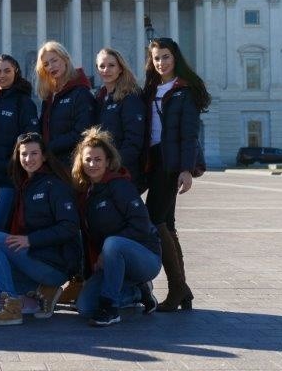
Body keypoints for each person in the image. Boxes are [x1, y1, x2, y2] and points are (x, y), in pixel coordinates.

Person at [0, 132, 82, 327]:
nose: (28, 159)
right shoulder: (21, 185)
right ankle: (43, 290)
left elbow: (70, 227)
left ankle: (11, 308)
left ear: (44, 156)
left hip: (54, 264)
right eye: (24, 154)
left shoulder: (54, 185)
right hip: (32, 259)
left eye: (34, 154)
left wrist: (30, 240)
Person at [143, 36, 210, 312]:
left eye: (166, 57)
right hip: (153, 159)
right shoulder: (150, 89)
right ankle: (181, 289)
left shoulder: (185, 90)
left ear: (176, 58)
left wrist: (186, 169)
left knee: (154, 219)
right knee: (167, 224)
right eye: (156, 58)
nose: (161, 62)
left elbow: (189, 133)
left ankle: (177, 288)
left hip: (170, 162)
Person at [72, 127, 162, 326]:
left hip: (144, 257)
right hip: (113, 264)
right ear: (81, 162)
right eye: (88, 159)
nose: (92, 164)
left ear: (107, 162)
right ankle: (138, 292)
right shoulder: (85, 193)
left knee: (113, 243)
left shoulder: (120, 186)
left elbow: (141, 225)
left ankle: (110, 308)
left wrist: (106, 252)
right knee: (85, 307)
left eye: (98, 159)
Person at [0, 54, 38, 198]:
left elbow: (32, 137)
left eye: (7, 71)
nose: (2, 75)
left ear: (15, 71)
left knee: (0, 220)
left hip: (11, 177)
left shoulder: (24, 102)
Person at [37, 42, 97, 167]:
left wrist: (48, 147)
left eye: (54, 60)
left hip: (72, 164)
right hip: (51, 163)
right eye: (46, 64)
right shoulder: (49, 95)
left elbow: (83, 132)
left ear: (65, 59)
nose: (51, 67)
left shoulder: (81, 93)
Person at [94, 47, 147, 189]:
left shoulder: (130, 97)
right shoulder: (99, 98)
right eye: (102, 66)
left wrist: (114, 165)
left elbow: (134, 140)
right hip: (103, 171)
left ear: (120, 68)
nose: (106, 70)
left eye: (111, 65)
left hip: (123, 172)